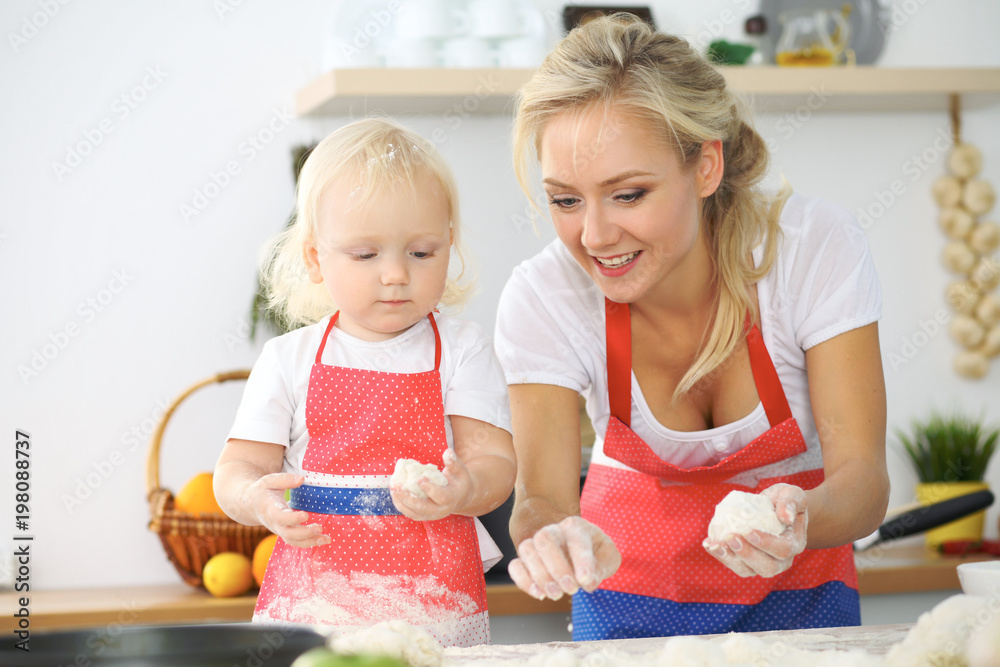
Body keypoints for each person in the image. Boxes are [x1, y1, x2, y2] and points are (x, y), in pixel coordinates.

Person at [494, 15, 889, 641]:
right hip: (624, 619)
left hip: (804, 619)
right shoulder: (543, 296)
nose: (594, 236)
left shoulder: (811, 250)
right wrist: (551, 538)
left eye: (628, 194)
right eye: (566, 200)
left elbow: (863, 481)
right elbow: (540, 496)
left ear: (706, 167)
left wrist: (798, 518)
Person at [214, 117, 516, 648]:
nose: (396, 273)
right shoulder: (290, 358)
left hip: (433, 604)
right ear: (315, 257)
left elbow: (495, 462)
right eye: (366, 254)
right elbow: (239, 468)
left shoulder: (462, 350)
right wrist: (255, 500)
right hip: (315, 601)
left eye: (422, 253)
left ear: (450, 244)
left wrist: (465, 489)